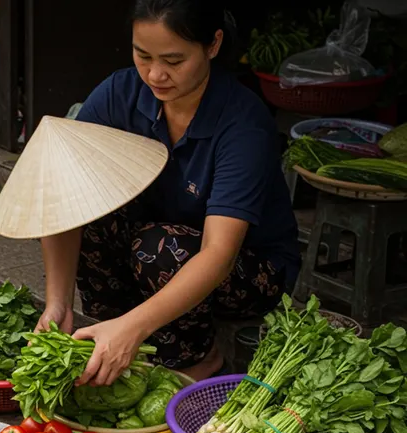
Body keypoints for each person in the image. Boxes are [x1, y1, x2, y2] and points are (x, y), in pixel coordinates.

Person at [36, 0, 299, 384]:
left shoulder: (243, 124)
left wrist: (134, 327)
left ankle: (197, 359)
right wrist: (57, 301)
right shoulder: (119, 94)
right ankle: (116, 334)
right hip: (156, 240)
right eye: (143, 56)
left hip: (249, 269)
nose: (155, 74)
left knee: (158, 246)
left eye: (174, 61)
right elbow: (66, 196)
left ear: (213, 45)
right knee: (96, 217)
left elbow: (218, 254)